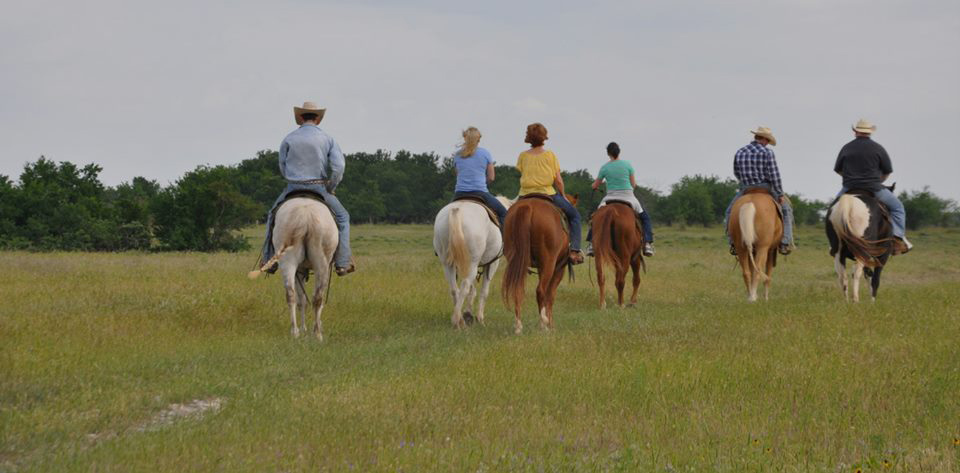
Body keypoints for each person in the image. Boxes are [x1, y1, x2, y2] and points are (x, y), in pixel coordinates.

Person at [260, 101, 355, 275]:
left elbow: (282, 165)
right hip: (319, 187)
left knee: (272, 216)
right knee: (342, 217)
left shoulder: (289, 138)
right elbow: (338, 168)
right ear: (317, 119)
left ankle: (268, 260)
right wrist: (330, 186)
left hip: (292, 187)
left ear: (300, 118)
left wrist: (292, 177)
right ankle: (342, 262)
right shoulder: (328, 138)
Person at [833, 119, 912, 253]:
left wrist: (849, 179)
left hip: (849, 187)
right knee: (898, 208)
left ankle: (834, 242)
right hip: (874, 188)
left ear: (855, 131)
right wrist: (878, 181)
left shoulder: (846, 148)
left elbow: (838, 169)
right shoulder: (878, 148)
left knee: (833, 210)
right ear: (870, 132)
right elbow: (887, 171)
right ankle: (897, 237)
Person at [516, 123, 584, 264]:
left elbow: (523, 173)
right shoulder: (550, 155)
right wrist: (563, 195)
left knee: (507, 217)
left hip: (524, 195)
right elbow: (558, 181)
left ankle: (508, 248)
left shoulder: (522, 156)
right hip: (547, 194)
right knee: (575, 216)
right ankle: (575, 250)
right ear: (544, 137)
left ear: (528, 138)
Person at [724, 126, 794, 255]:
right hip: (765, 188)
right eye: (767, 140)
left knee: (729, 212)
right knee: (786, 210)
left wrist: (746, 181)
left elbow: (736, 172)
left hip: (746, 189)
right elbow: (774, 175)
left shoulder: (740, 152)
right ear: (764, 139)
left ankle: (732, 241)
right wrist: (779, 194)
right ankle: (785, 242)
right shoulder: (767, 153)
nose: (767, 143)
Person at [585, 142, 655, 257]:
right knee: (645, 217)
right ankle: (647, 243)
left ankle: (592, 244)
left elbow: (596, 185)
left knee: (596, 216)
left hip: (610, 197)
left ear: (608, 153)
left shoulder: (605, 167)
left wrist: (594, 186)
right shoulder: (628, 165)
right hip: (628, 196)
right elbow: (633, 184)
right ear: (619, 152)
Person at [451, 126, 507, 227]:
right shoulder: (485, 153)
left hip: (459, 194)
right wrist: (481, 183)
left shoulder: (457, 155)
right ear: (478, 139)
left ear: (465, 138)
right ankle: (503, 241)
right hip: (480, 193)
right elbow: (491, 177)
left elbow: (458, 175)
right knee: (504, 213)